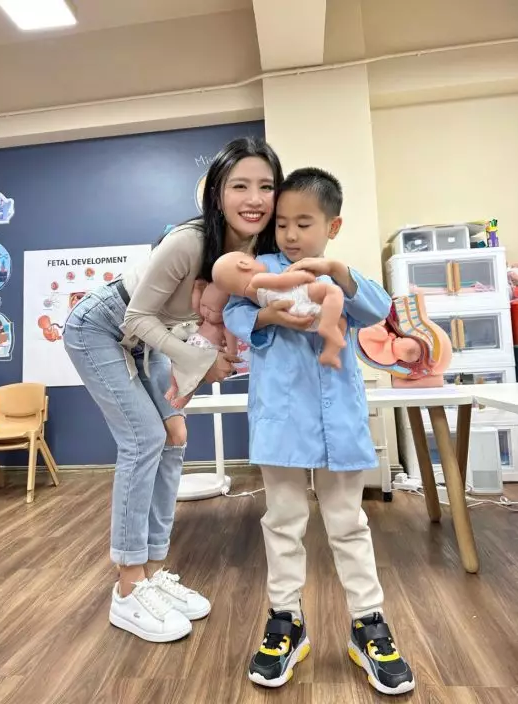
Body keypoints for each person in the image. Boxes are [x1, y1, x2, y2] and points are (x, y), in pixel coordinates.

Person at [63, 136, 296, 644]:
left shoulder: (254, 251)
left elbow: (208, 323)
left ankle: (151, 572)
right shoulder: (190, 241)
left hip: (150, 341)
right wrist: (200, 362)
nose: (254, 199)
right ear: (217, 194)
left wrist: (208, 361)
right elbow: (136, 317)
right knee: (143, 439)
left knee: (174, 438)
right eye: (240, 186)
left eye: (266, 186)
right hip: (101, 327)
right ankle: (128, 587)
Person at [223, 167, 415, 696]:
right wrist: (270, 318)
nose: (289, 234)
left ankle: (368, 623)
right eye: (282, 223)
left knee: (348, 523)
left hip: (338, 422)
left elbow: (379, 310)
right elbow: (235, 311)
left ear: (333, 226)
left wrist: (338, 271)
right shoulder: (260, 269)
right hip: (282, 422)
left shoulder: (341, 278)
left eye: (303, 223)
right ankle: (286, 620)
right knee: (283, 521)